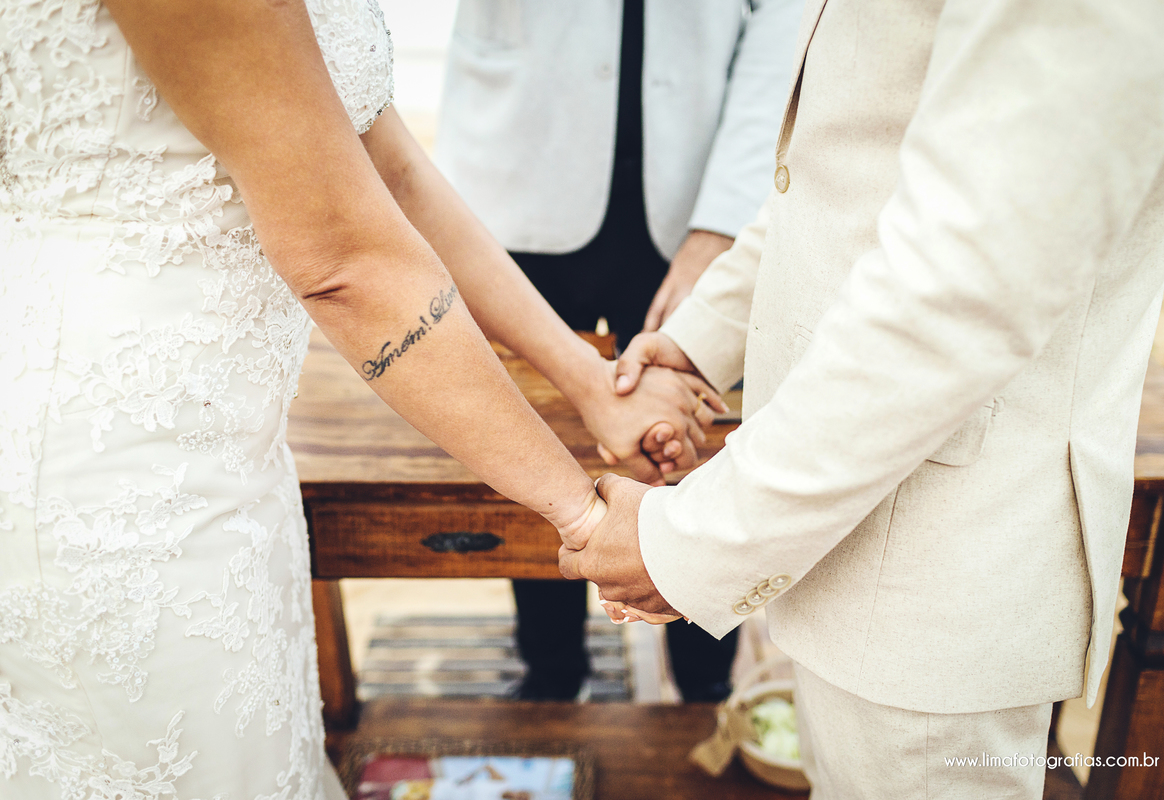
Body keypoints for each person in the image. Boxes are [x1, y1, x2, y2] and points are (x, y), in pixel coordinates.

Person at [0, 1, 722, 798]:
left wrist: (591, 382)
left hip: (232, 458)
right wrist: (586, 519)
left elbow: (392, 177)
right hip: (110, 470)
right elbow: (344, 258)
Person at [560, 0, 1164, 797]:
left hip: (944, 571)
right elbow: (846, 171)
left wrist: (691, 546)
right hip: (852, 524)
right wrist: (701, 341)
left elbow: (968, 281)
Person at [436, 0, 803, 701]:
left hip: (696, 185)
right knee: (537, 439)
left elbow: (781, 18)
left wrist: (724, 222)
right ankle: (551, 670)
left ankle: (703, 682)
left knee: (688, 445)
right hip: (522, 167)